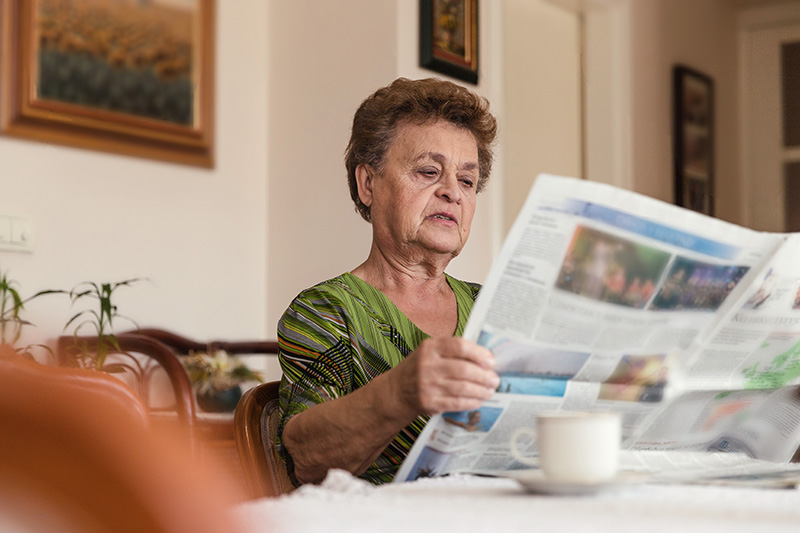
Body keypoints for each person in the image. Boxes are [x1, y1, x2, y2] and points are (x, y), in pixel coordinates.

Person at [276, 77, 500, 486]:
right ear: (368, 184)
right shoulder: (326, 311)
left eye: (467, 181)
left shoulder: (493, 309)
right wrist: (402, 391)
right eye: (429, 171)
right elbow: (306, 463)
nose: (453, 192)